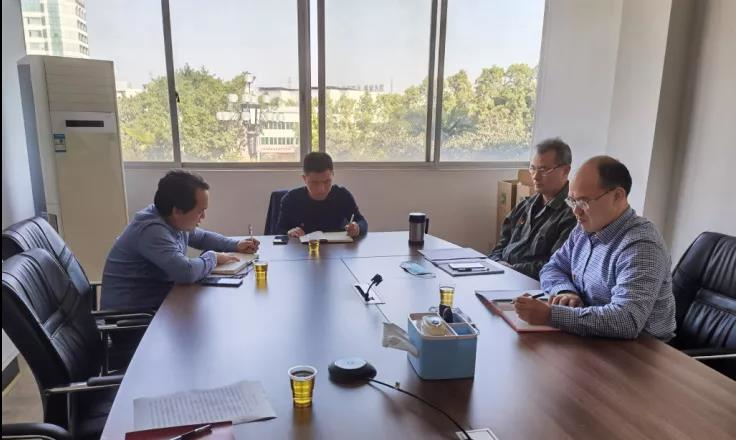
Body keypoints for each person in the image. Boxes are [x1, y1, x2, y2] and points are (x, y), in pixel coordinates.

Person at [514, 156, 676, 340]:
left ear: (617, 196)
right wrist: (565, 292)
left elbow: (627, 320)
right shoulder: (584, 229)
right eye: (572, 201)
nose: (576, 211)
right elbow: (553, 267)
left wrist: (550, 315)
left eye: (583, 202)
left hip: (641, 350)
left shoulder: (641, 246)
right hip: (592, 336)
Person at [101, 170, 259, 311]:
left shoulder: (170, 219)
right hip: (131, 321)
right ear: (177, 211)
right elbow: (186, 272)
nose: (203, 216)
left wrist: (235, 245)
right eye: (200, 211)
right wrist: (213, 257)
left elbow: (202, 237)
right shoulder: (151, 230)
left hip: (156, 307)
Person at [489, 138, 577, 279]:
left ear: (565, 170)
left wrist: (511, 270)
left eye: (544, 169)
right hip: (503, 274)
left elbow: (555, 265)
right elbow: (500, 246)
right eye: (532, 168)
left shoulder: (572, 214)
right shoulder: (525, 205)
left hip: (533, 283)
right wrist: (495, 263)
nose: (535, 176)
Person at [277, 152, 367, 238]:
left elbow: (362, 221)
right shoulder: (291, 199)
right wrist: (289, 232)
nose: (321, 189)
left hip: (336, 247)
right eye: (315, 183)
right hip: (303, 247)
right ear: (304, 178)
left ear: (332, 175)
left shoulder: (342, 195)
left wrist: (357, 228)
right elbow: (278, 231)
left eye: (327, 181)